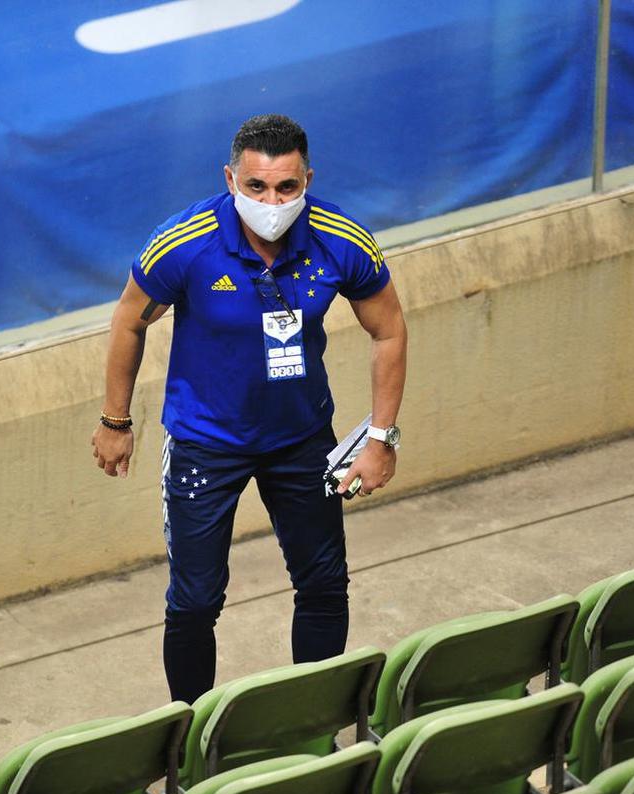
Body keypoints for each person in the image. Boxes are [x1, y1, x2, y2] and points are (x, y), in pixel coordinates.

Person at [91, 114, 407, 703]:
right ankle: (188, 739)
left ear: (307, 180)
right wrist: (116, 420)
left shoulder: (342, 239)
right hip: (205, 444)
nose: (272, 201)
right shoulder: (185, 243)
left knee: (323, 587)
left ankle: (307, 726)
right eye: (256, 186)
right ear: (230, 178)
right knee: (195, 601)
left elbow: (388, 330)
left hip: (301, 439)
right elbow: (128, 321)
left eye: (287, 187)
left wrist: (381, 436)